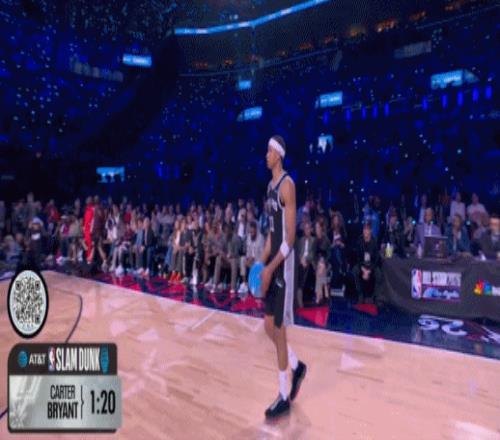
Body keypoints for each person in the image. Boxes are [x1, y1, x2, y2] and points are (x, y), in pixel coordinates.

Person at [260, 135, 306, 419]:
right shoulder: (269, 188)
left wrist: (271, 267)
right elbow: (272, 233)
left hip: (285, 267)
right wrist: (260, 263)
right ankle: (296, 365)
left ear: (278, 154)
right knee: (268, 326)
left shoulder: (287, 185)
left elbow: (289, 239)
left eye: (269, 151)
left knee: (278, 330)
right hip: (273, 265)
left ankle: (283, 395)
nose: (265, 155)